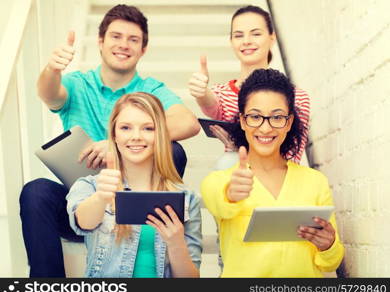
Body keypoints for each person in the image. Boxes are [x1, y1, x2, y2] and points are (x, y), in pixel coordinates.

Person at [20, 4, 200, 277]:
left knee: (174, 151)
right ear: (101, 42)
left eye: (133, 39)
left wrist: (114, 144)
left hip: (139, 207)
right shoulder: (78, 84)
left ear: (143, 49)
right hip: (86, 206)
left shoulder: (150, 90)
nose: (124, 45)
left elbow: (188, 122)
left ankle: (159, 223)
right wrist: (51, 69)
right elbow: (49, 93)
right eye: (116, 36)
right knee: (36, 191)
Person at [201, 69, 344, 277]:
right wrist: (231, 194)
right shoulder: (219, 181)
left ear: (289, 122)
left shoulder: (315, 181)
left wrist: (328, 245)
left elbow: (329, 264)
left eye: (277, 117)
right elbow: (220, 202)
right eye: (255, 116)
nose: (266, 128)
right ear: (242, 121)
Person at [67, 92, 202, 277]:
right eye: (125, 128)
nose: (136, 136)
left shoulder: (187, 198)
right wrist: (100, 197)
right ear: (113, 135)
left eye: (148, 128)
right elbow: (83, 222)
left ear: (160, 134)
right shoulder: (90, 186)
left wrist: (176, 242)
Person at [188, 5, 309, 168]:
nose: (246, 41)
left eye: (256, 34)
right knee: (228, 162)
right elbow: (212, 104)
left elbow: (292, 156)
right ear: (231, 41)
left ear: (272, 38)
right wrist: (202, 94)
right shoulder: (222, 94)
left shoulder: (297, 96)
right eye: (238, 35)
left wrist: (238, 148)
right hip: (239, 173)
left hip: (281, 176)